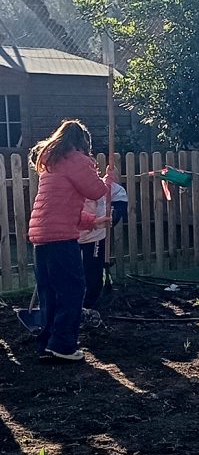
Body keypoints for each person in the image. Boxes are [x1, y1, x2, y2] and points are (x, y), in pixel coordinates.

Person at [28, 120, 113, 361]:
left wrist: (93, 222)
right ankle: (63, 345)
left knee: (50, 292)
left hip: (41, 237)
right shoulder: (76, 159)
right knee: (72, 290)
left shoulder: (52, 163)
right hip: (61, 239)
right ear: (82, 142)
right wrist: (108, 180)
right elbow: (96, 191)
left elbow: (62, 208)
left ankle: (48, 342)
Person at [79, 181, 128, 318]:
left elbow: (119, 195)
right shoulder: (67, 185)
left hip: (95, 234)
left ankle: (90, 305)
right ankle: (75, 304)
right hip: (71, 234)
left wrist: (114, 213)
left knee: (92, 271)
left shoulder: (100, 184)